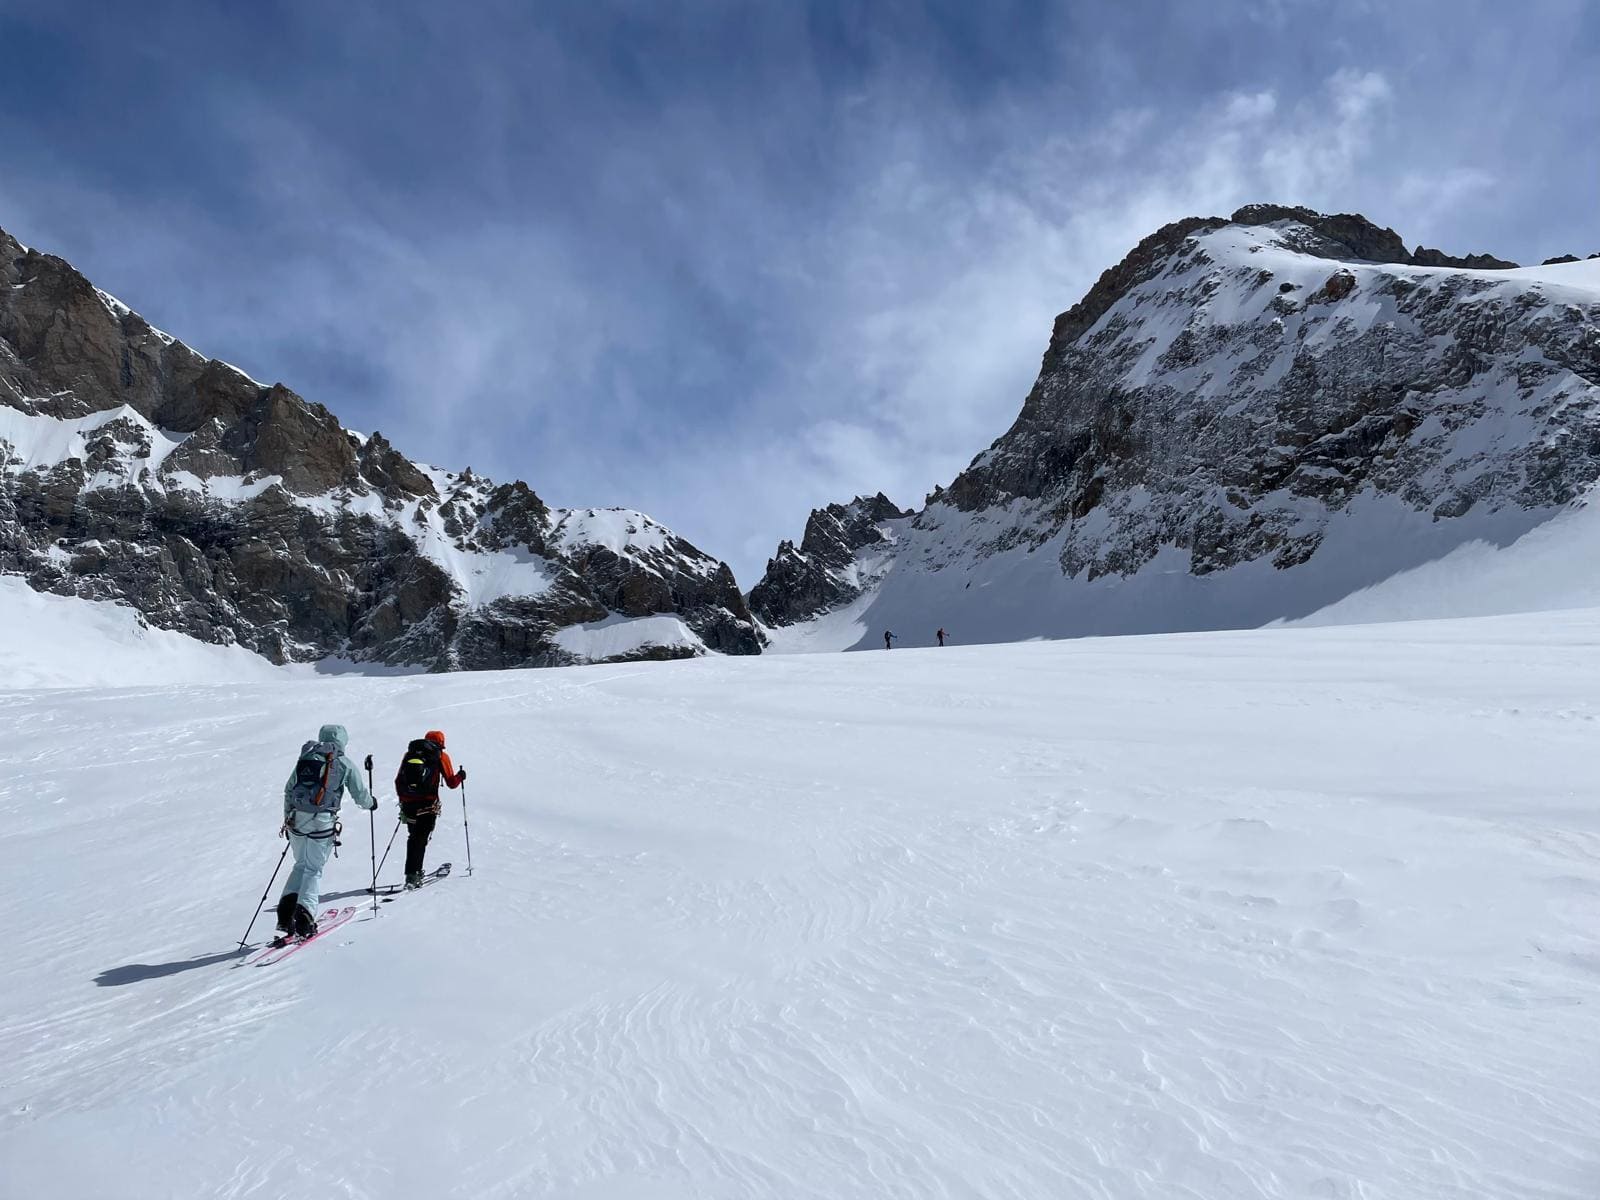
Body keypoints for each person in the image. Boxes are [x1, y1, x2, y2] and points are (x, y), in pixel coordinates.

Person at [278, 724, 374, 939]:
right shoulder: (342, 762)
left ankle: (285, 916)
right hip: (322, 820)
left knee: (300, 865)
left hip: (297, 819)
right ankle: (305, 918)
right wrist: (371, 804)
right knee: (313, 869)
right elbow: (360, 795)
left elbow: (289, 789)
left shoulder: (307, 758)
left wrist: (288, 817)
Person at [394, 729, 466, 888]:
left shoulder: (409, 755)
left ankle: (412, 873)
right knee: (421, 838)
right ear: (441, 744)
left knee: (414, 838)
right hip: (428, 804)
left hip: (408, 804)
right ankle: (413, 875)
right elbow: (451, 783)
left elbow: (398, 779)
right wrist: (461, 776)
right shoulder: (440, 756)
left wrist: (404, 802)